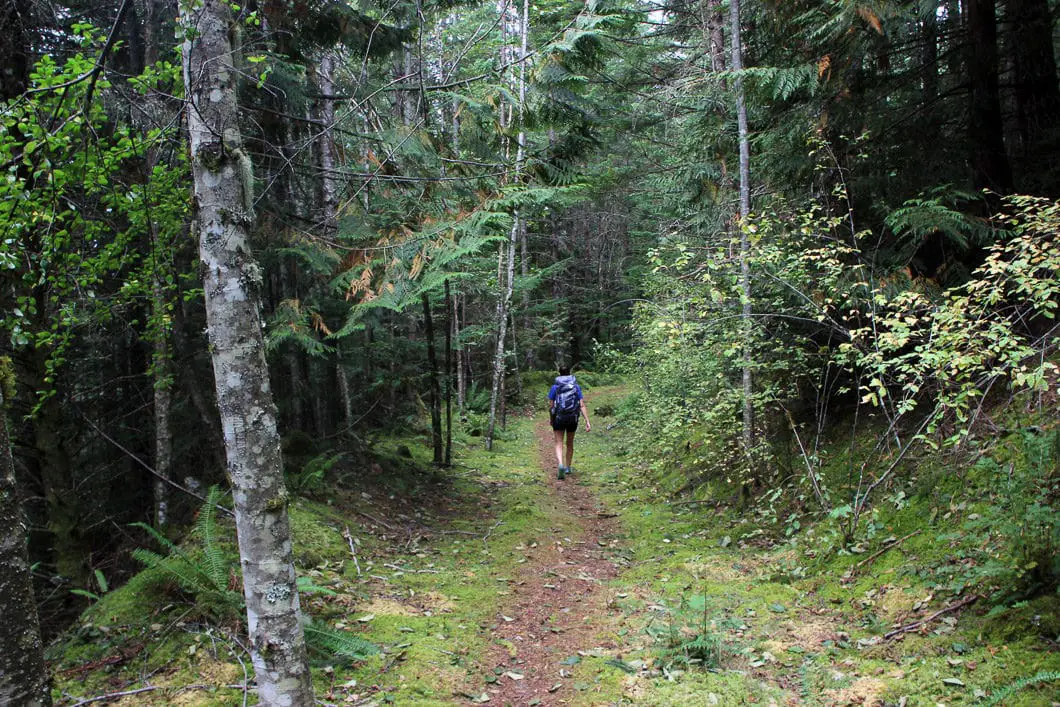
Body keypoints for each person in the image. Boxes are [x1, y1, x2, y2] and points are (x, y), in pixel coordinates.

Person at [548, 366, 590, 480]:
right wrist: (587, 421)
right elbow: (581, 405)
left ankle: (560, 464)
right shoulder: (576, 387)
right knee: (570, 443)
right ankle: (568, 467)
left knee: (558, 442)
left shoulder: (555, 387)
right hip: (572, 418)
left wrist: (551, 419)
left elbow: (551, 406)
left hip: (559, 418)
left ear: (559, 373)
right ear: (569, 373)